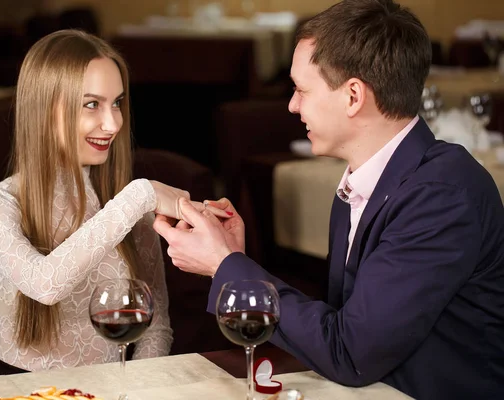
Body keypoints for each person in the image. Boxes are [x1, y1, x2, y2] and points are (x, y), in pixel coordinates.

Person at [152, 1, 504, 399]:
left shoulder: (442, 197)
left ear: (354, 96)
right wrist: (236, 261)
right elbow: (343, 326)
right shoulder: (363, 181)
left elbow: (350, 353)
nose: (292, 105)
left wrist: (225, 266)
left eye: (302, 90)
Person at [0, 29, 227, 372]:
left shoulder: (118, 204)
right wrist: (142, 195)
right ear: (44, 109)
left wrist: (135, 390)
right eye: (92, 104)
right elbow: (44, 285)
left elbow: (156, 327)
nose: (113, 123)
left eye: (117, 103)